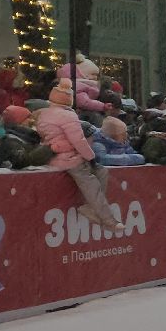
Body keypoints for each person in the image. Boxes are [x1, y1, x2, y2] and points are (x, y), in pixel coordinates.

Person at [36, 82, 127, 233]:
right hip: (68, 157)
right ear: (69, 99)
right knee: (90, 182)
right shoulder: (68, 116)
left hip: (57, 153)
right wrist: (90, 157)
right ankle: (109, 220)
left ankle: (91, 207)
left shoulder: (44, 113)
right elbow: (78, 140)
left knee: (101, 172)